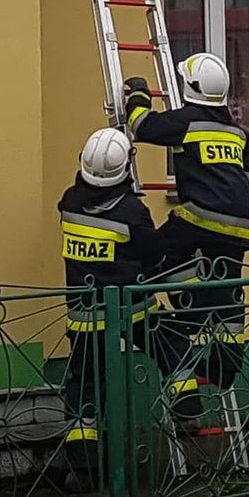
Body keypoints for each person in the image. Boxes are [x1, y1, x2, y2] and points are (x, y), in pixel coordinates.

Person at [125, 53, 249, 400]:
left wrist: (138, 94)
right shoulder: (236, 131)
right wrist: (240, 201)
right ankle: (224, 367)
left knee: (159, 251)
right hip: (241, 225)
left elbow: (141, 126)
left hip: (200, 216)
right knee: (229, 293)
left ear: (190, 88)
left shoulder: (188, 123)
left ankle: (191, 308)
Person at [57, 128, 164, 454]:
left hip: (83, 312)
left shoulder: (68, 202)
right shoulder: (131, 212)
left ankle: (82, 461)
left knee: (85, 383)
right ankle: (185, 392)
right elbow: (154, 255)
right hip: (130, 308)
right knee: (169, 341)